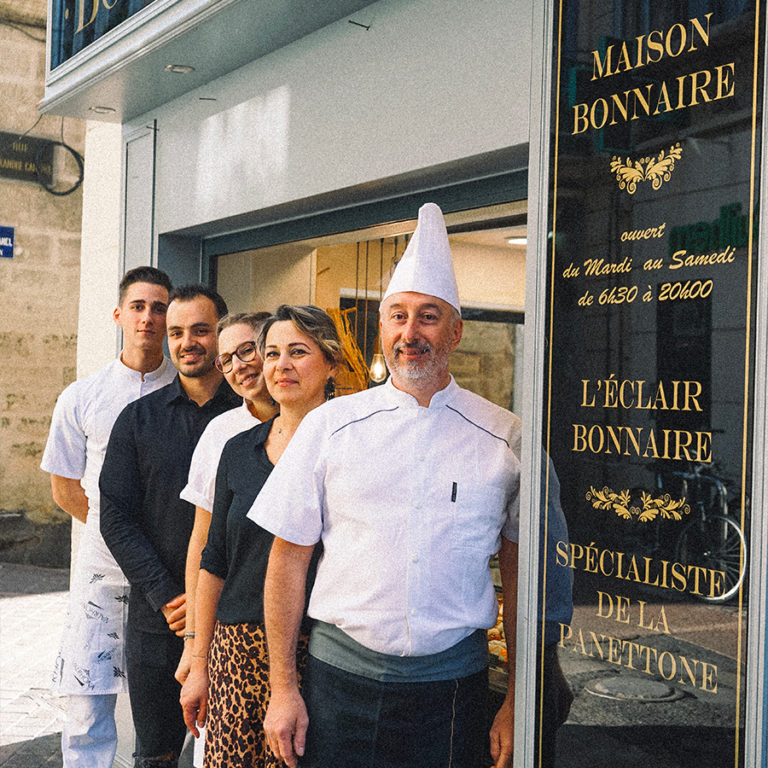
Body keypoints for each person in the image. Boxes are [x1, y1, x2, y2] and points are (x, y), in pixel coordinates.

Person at [248, 202, 521, 768]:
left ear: (457, 331)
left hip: (454, 688)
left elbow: (522, 578)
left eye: (428, 315)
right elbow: (287, 561)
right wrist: (283, 687)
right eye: (397, 315)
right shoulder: (330, 425)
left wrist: (519, 696)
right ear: (381, 328)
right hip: (338, 681)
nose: (410, 332)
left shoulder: (504, 437)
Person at [180, 305, 342, 767]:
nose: (280, 366)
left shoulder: (349, 448)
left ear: (331, 362)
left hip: (320, 652)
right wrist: (198, 659)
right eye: (271, 354)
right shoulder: (238, 450)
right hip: (234, 653)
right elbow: (215, 562)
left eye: (297, 352)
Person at [100, 285, 240, 768]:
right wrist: (168, 597)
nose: (187, 342)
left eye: (201, 330)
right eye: (177, 332)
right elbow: (115, 516)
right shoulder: (137, 420)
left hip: (235, 619)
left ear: (221, 336)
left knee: (229, 753)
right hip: (160, 621)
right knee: (156, 755)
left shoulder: (252, 420)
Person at [40, 266, 175, 768]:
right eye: (138, 306)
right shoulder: (82, 396)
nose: (148, 317)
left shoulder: (185, 395)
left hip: (165, 577)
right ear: (119, 315)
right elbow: (64, 487)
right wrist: (114, 530)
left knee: (162, 710)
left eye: (159, 307)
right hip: (100, 573)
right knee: (85, 707)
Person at [174, 312, 278, 686]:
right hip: (237, 619)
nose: (239, 367)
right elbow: (203, 542)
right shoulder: (222, 433)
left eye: (247, 350)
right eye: (227, 359)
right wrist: (192, 640)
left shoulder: (318, 423)